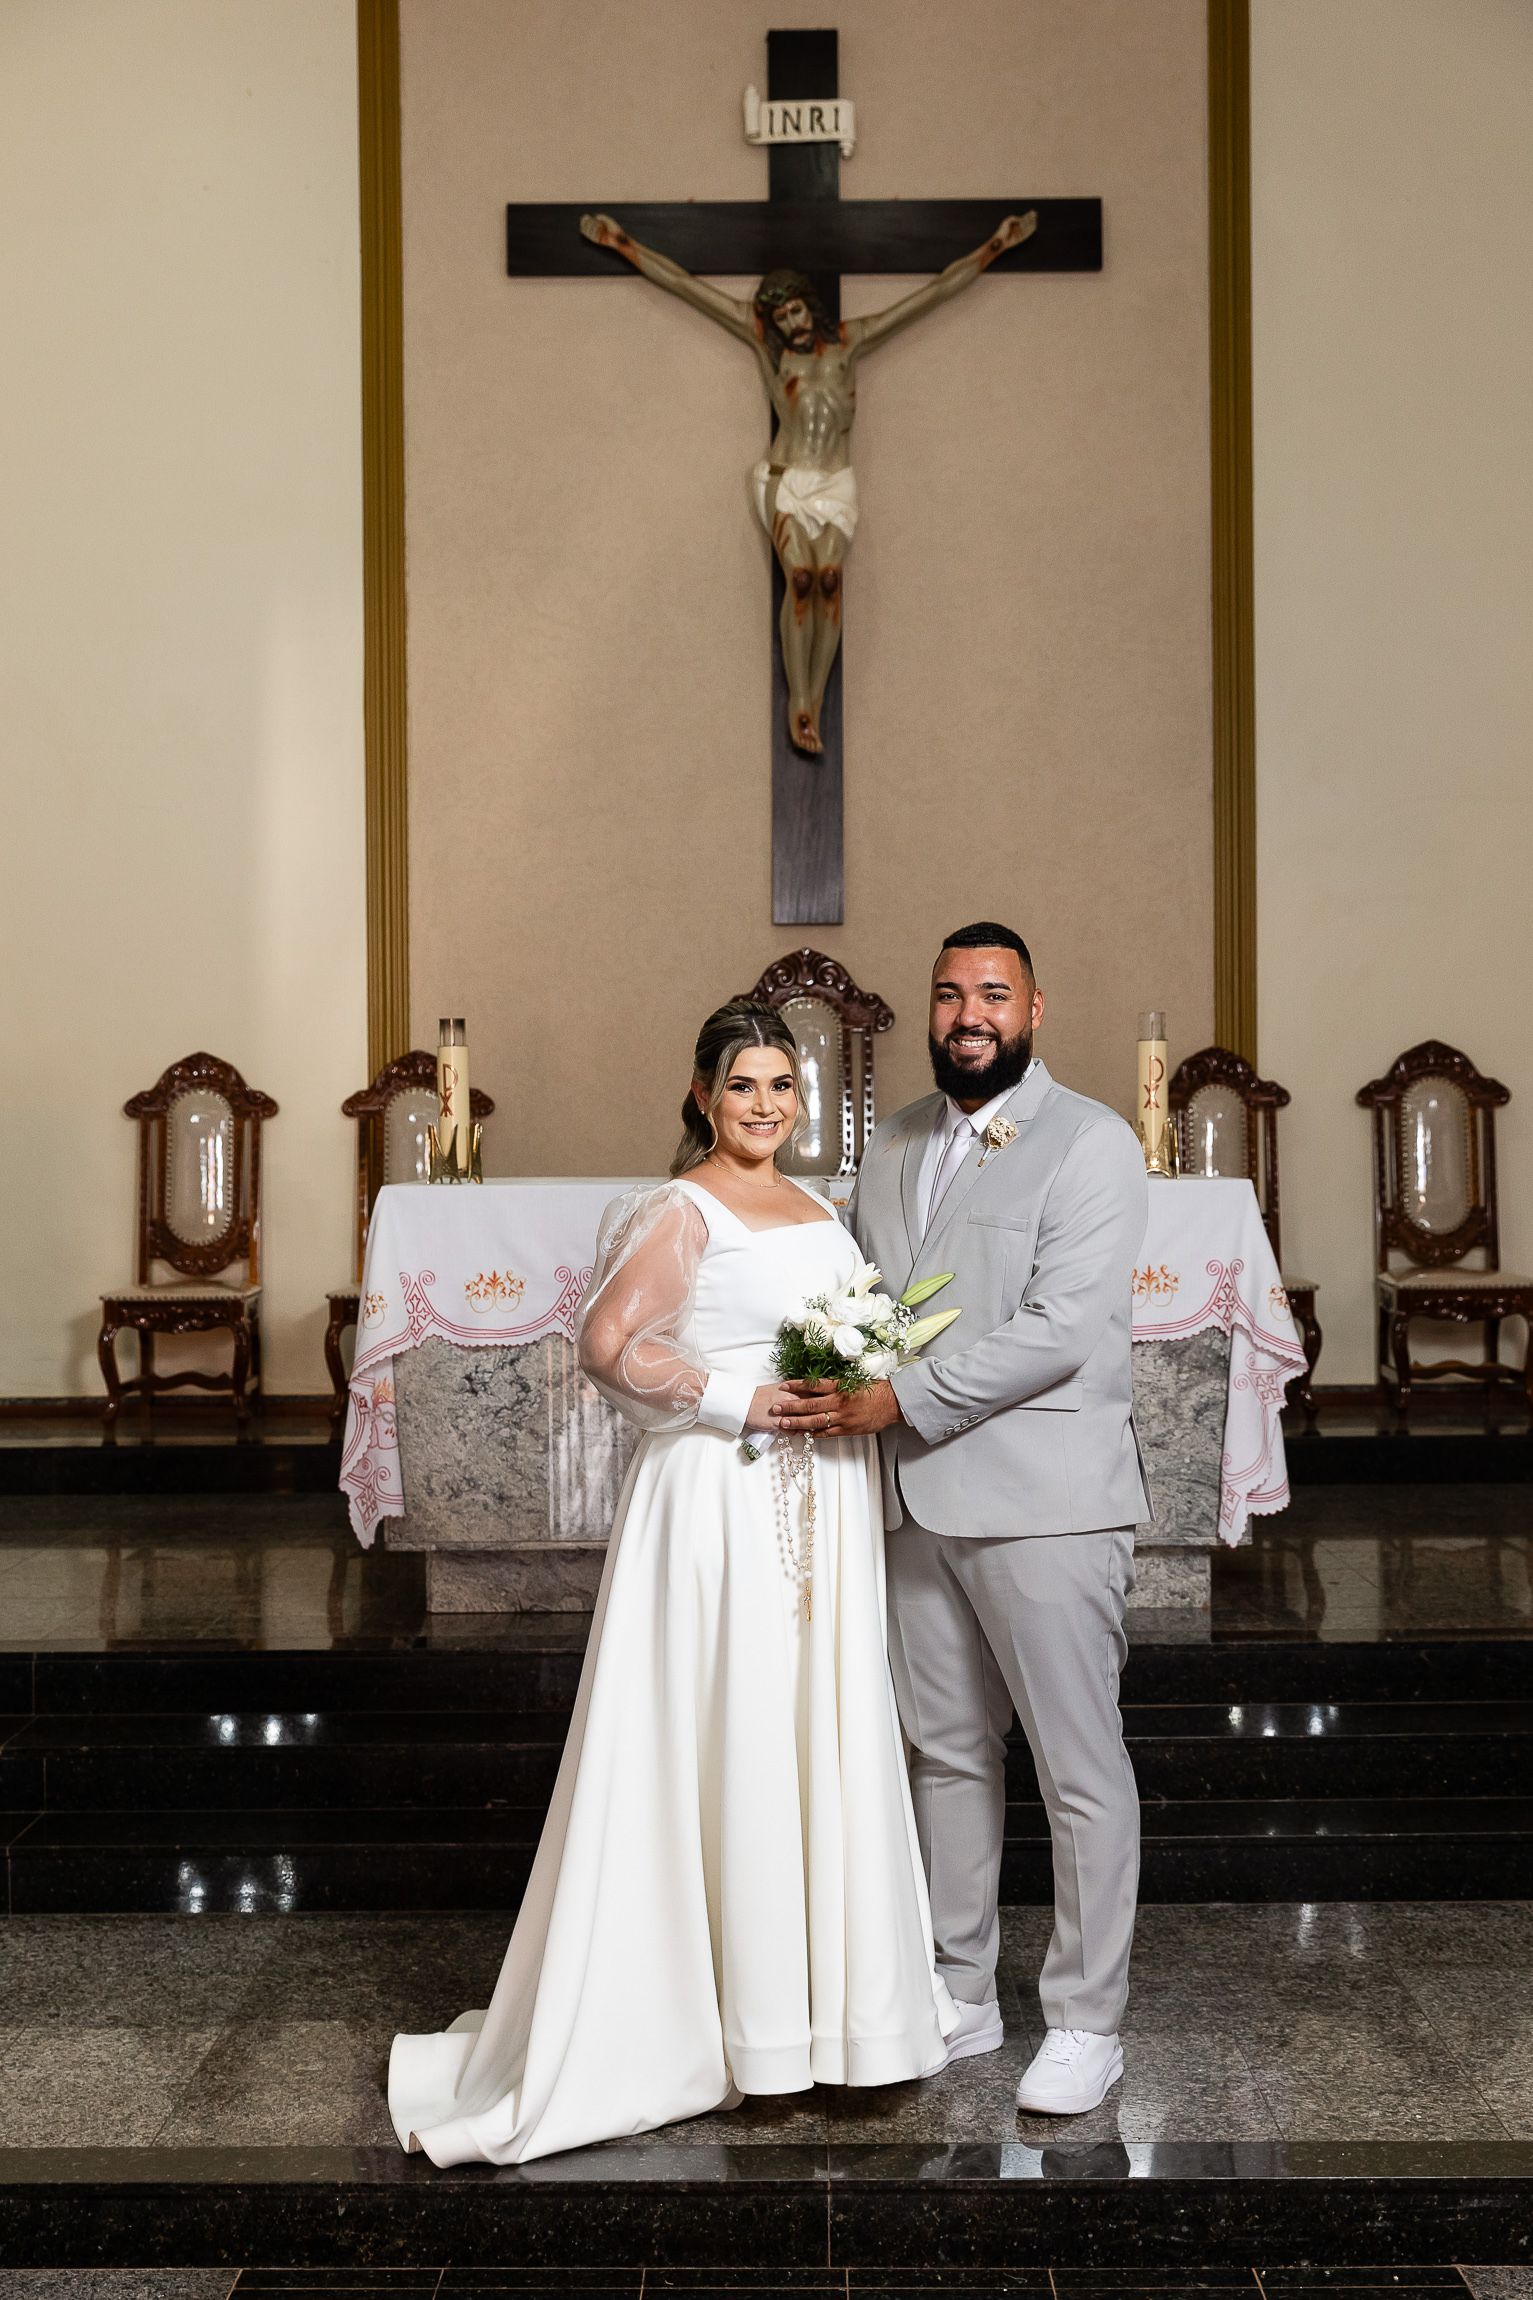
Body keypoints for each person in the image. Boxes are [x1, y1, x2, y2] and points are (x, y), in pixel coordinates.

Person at [388, 1000, 955, 2165]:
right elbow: (608, 1342)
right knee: (731, 1727)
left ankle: (829, 2021)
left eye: (782, 1085)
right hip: (722, 1495)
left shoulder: (822, 1207)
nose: (765, 1105)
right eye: (743, 1084)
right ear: (703, 1094)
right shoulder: (683, 1207)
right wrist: (738, 1397)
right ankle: (732, 2026)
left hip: (824, 1496)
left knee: (815, 1728)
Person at [774, 924, 1149, 2116]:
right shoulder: (890, 1143)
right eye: (948, 994)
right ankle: (962, 1986)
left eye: (993, 992)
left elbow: (1061, 1327)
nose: (968, 1013)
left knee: (1077, 1769)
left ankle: (1087, 2021)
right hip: (912, 1499)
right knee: (944, 1752)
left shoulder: (1091, 1140)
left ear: (1035, 1009)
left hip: (1045, 1502)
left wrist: (897, 1399)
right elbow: (861, 1297)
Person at [578, 208, 1036, 756]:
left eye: (795, 310)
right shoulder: (765, 343)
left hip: (835, 480)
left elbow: (931, 294)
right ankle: (799, 700)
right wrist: (623, 244)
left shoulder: (849, 340)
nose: (790, 324)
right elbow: (685, 285)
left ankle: (814, 699)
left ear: (808, 305)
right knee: (801, 580)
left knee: (830, 583)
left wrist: (995, 247)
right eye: (780, 318)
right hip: (786, 477)